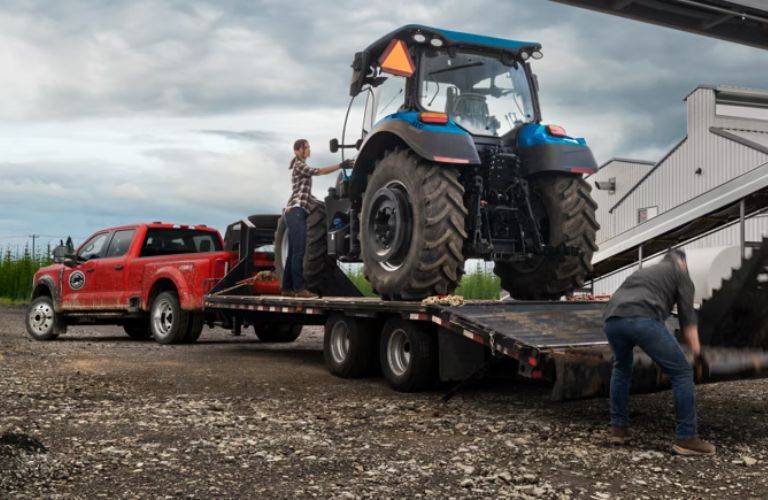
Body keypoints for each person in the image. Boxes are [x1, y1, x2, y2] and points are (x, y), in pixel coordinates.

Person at [603, 249, 715, 456]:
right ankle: (686, 438)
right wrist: (698, 354)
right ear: (683, 263)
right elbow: (687, 318)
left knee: (621, 368)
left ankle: (618, 429)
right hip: (643, 319)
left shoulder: (644, 272)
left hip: (612, 320)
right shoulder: (681, 274)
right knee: (682, 373)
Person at [282, 139, 350, 298]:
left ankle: (287, 288)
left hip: (296, 211)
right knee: (299, 251)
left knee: (293, 251)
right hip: (296, 211)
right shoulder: (300, 165)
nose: (309, 150)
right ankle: (299, 289)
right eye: (307, 148)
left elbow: (304, 193)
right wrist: (340, 166)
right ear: (298, 150)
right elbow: (319, 171)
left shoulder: (298, 167)